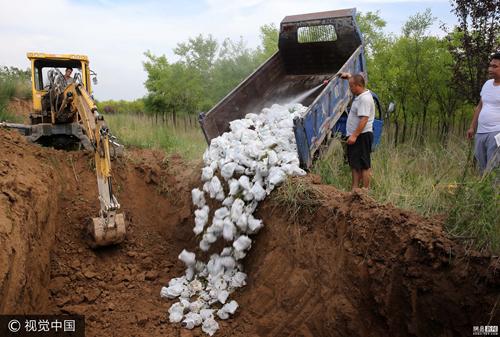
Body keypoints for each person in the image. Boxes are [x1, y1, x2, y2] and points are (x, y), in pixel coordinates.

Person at [340, 72, 375, 190]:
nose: (350, 89)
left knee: (364, 165)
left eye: (351, 87)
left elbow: (364, 119)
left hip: (362, 136)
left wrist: (354, 135)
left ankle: (365, 192)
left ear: (358, 86)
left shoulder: (364, 99)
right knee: (355, 164)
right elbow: (357, 80)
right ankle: (354, 189)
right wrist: (349, 76)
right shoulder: (361, 93)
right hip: (357, 135)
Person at [467, 52, 500, 173]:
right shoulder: (487, 84)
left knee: (493, 168)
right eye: (490, 66)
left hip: (497, 133)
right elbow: (480, 106)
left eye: (495, 66)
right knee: (481, 166)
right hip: (481, 132)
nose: (490, 69)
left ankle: (494, 191)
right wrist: (472, 127)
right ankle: (482, 191)